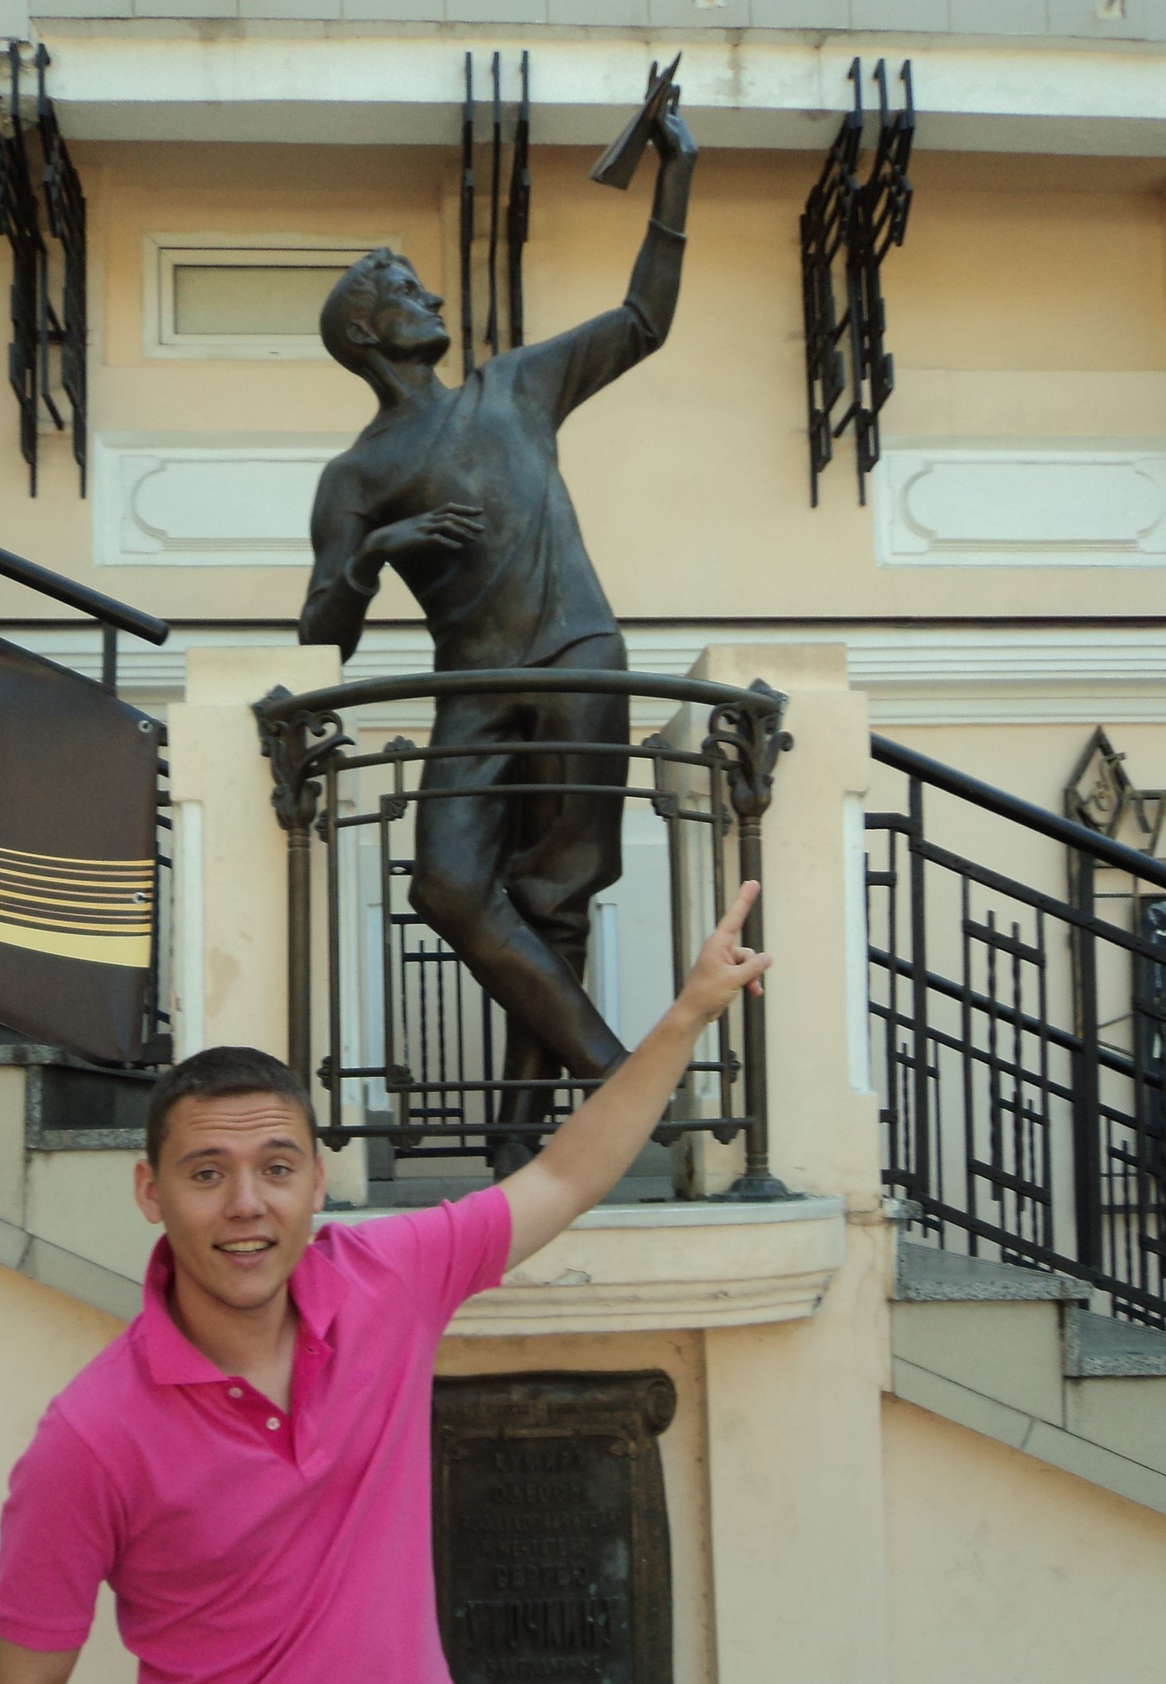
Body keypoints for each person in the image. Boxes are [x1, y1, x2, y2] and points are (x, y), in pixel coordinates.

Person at [0, 881, 769, 1684]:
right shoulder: (90, 1433)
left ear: (316, 1179)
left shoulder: (389, 1281)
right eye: (206, 1171)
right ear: (152, 1191)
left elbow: (564, 1174)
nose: (245, 1204)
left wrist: (688, 1013)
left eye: (276, 1165)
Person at [298, 95, 696, 1176]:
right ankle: (621, 1077)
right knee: (448, 887)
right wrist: (376, 551)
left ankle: (518, 1138)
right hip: (471, 687)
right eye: (404, 291)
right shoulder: (356, 476)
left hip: (578, 658)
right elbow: (322, 632)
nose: (431, 297)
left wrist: (677, 176)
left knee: (556, 894)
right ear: (364, 335)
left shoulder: (515, 387)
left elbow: (642, 320)